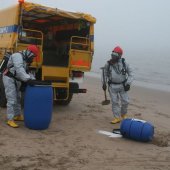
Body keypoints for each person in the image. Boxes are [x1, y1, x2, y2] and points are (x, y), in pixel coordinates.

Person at [3, 45, 39, 128]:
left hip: (16, 79)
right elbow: (19, 70)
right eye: (32, 56)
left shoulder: (24, 59)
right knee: (11, 98)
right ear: (29, 53)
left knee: (18, 98)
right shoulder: (17, 56)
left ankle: (17, 115)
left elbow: (26, 72)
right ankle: (10, 119)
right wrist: (28, 80)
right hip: (9, 78)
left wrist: (32, 79)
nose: (32, 59)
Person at [102, 46, 134, 124]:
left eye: (115, 54)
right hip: (112, 86)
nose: (113, 55)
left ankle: (123, 115)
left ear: (120, 55)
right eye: (112, 53)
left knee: (125, 101)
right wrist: (103, 83)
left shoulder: (124, 63)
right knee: (114, 102)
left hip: (123, 86)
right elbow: (104, 74)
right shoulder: (108, 64)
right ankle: (117, 118)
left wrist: (128, 84)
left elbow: (131, 74)